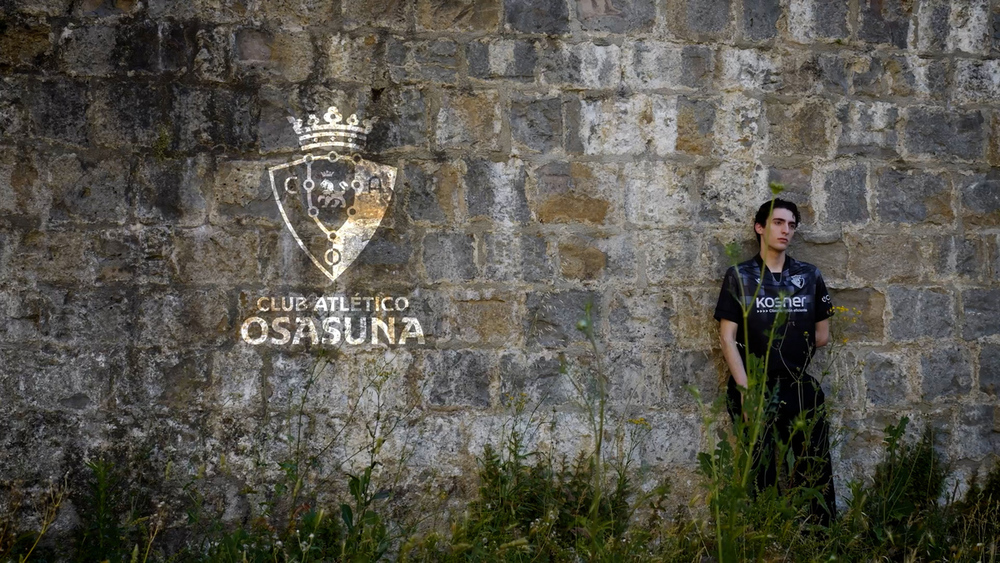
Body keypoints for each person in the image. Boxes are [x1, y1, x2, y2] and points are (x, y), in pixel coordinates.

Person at [713, 198, 837, 526]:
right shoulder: (740, 276)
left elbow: (822, 335)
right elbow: (727, 338)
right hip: (755, 383)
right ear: (760, 227)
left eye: (791, 225)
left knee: (815, 464)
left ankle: (822, 538)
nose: (786, 231)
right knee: (761, 465)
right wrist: (745, 390)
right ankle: (765, 536)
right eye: (778, 223)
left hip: (799, 385)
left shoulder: (809, 276)